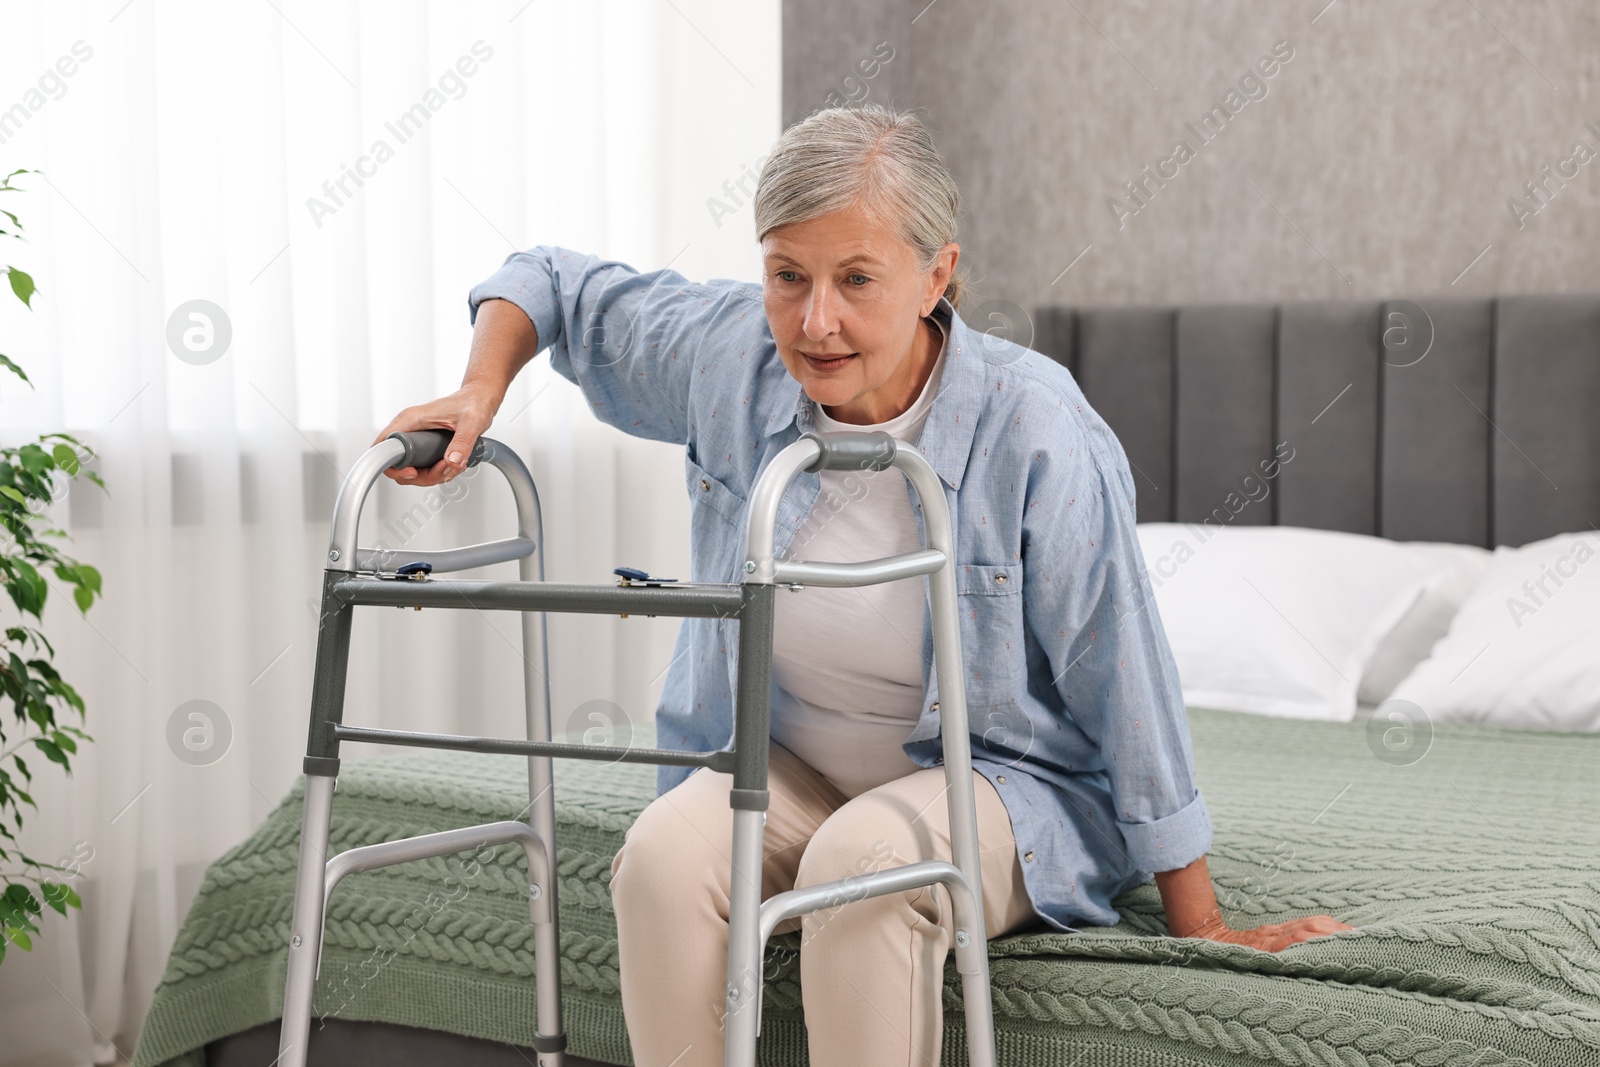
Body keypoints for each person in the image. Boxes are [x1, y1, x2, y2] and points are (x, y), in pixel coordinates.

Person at [376, 104, 1354, 1066]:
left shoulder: (1035, 424)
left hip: (1002, 784)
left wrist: (1203, 921)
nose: (815, 320)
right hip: (792, 768)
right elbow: (549, 281)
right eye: (786, 275)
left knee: (863, 868)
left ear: (938, 275)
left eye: (856, 279)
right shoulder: (734, 354)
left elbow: (1122, 669)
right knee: (658, 865)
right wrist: (480, 388)